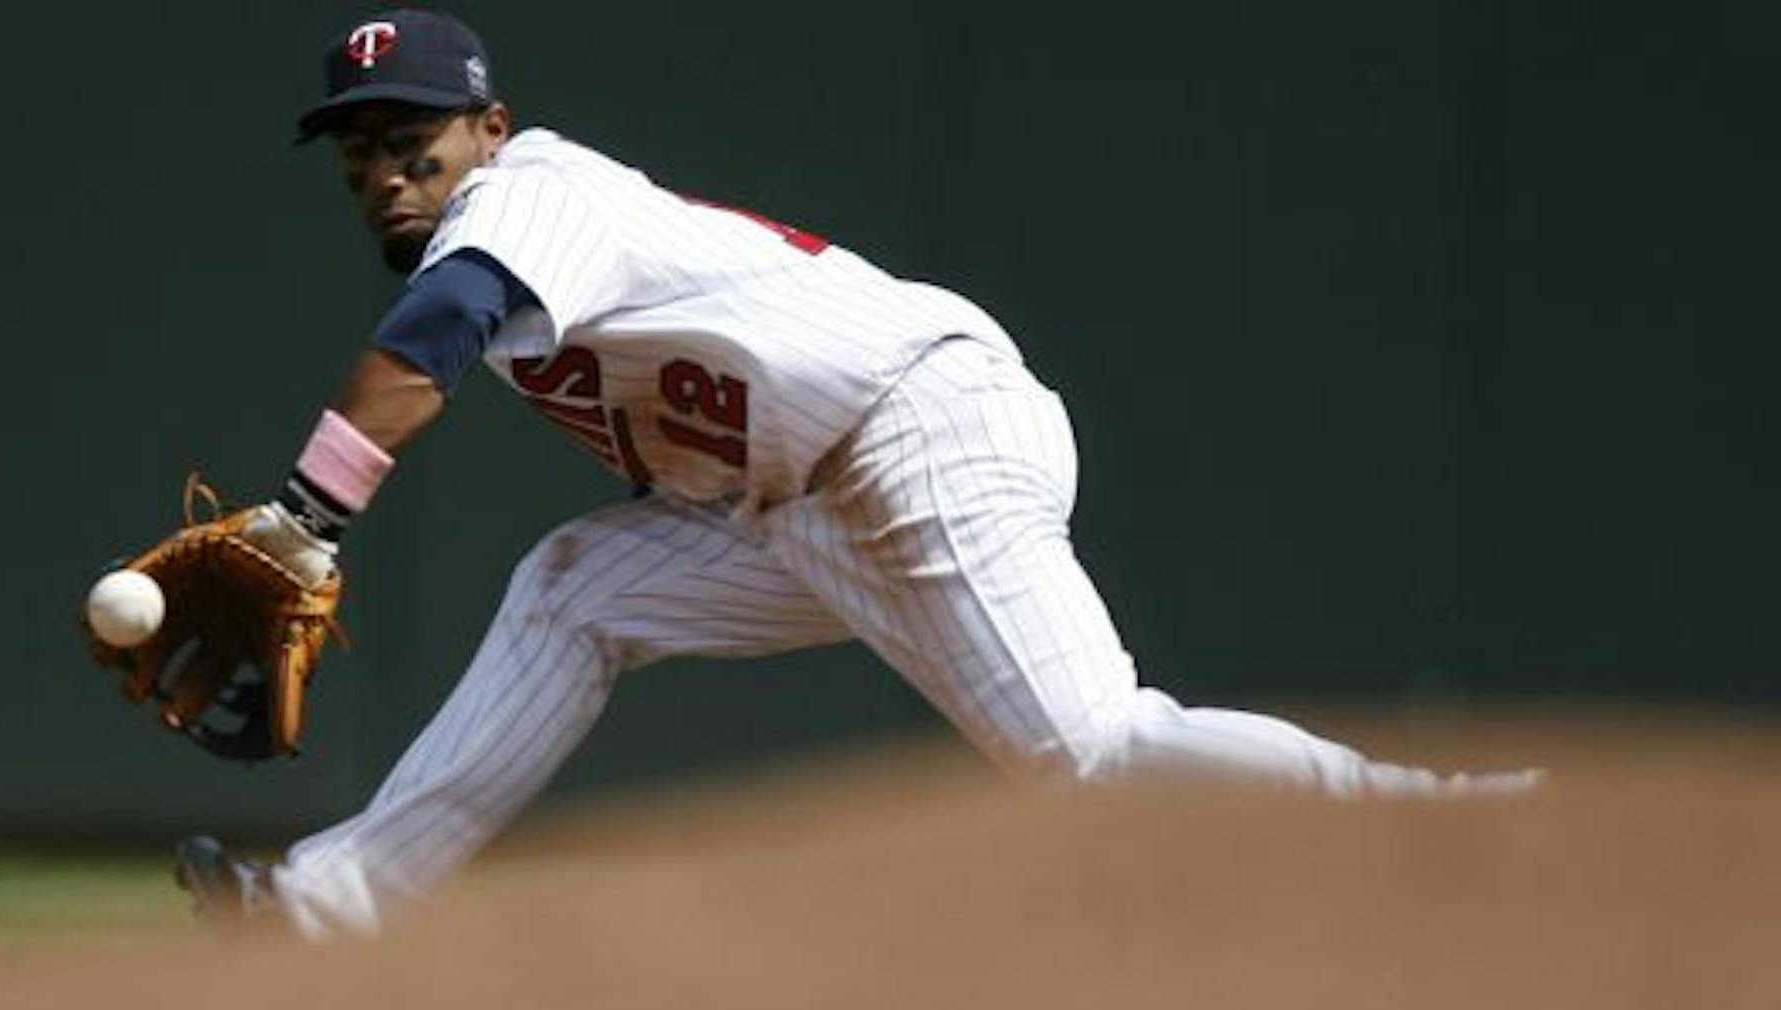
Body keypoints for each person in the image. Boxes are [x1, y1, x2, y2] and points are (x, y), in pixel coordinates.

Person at [175, 9, 1537, 938]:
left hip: (915, 429)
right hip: (789, 505)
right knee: (572, 590)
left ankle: (1430, 827)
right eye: (359, 152)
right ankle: (324, 908)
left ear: (487, 127)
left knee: (1094, 756)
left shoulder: (529, 192)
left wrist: (306, 517)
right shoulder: (496, 219)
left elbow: (438, 330)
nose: (387, 173)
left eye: (414, 136)